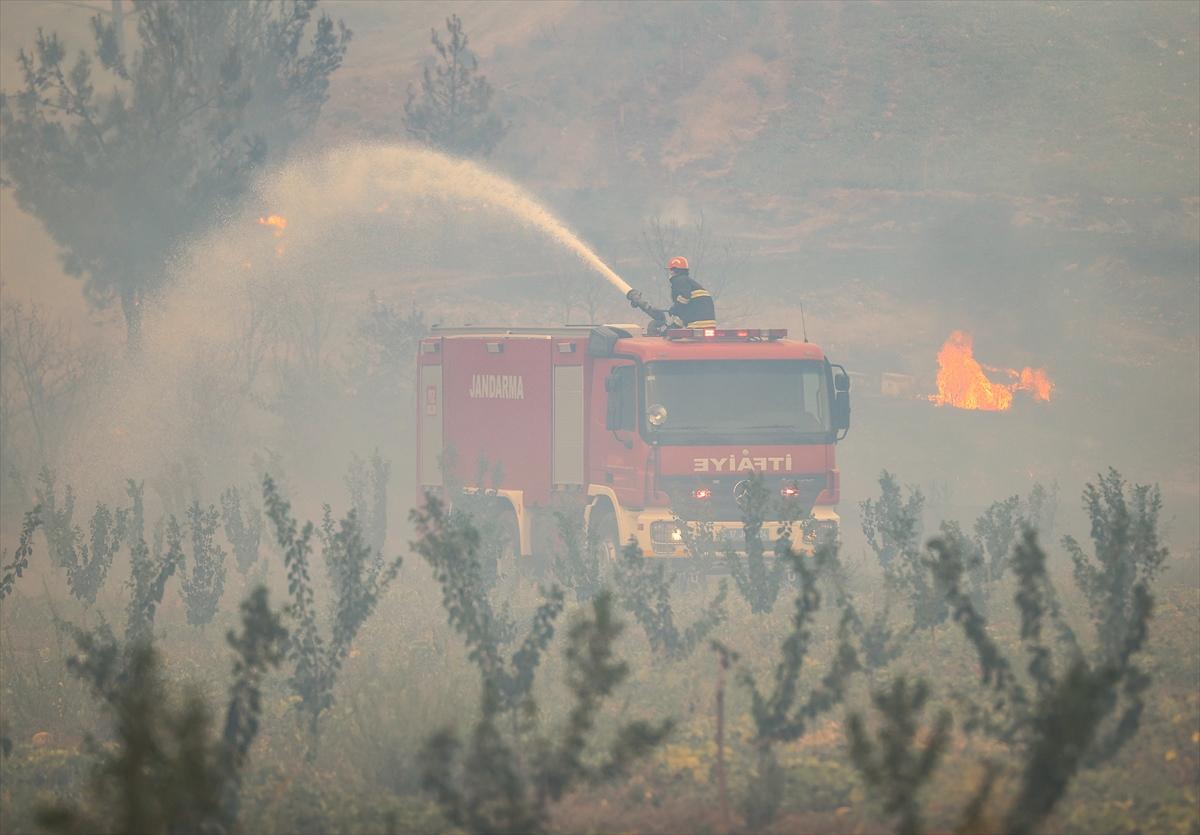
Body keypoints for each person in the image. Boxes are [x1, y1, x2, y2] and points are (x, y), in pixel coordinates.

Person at [626, 256, 717, 330]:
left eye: (670, 270)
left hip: (697, 322)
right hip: (707, 323)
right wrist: (672, 328)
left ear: (674, 270)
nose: (670, 273)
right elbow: (686, 312)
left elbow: (685, 297)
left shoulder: (679, 280)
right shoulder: (689, 283)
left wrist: (675, 308)